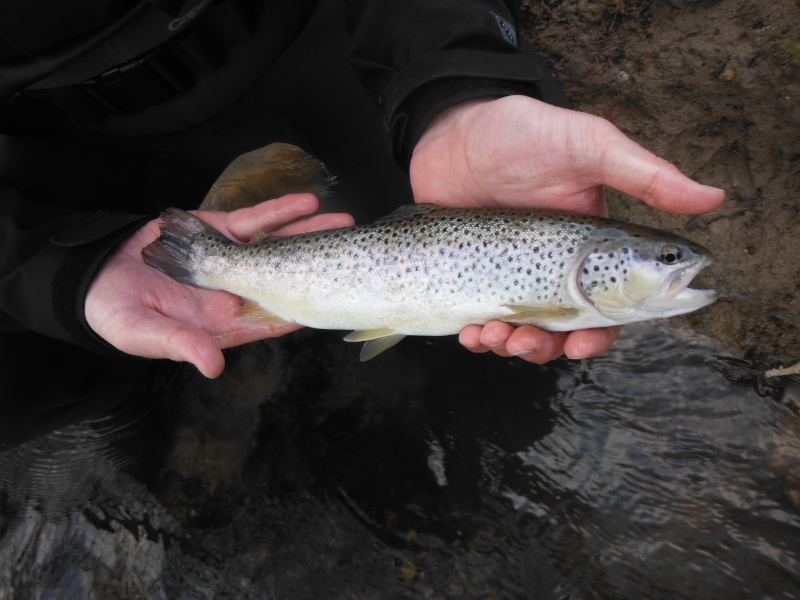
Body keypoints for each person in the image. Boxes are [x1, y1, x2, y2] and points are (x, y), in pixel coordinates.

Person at [0, 0, 725, 389]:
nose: (673, 267)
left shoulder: (567, 274)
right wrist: (54, 269)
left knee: (494, 370)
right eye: (663, 257)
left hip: (326, 36)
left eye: (661, 257)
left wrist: (461, 89)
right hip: (49, 145)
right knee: (46, 383)